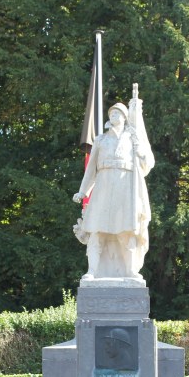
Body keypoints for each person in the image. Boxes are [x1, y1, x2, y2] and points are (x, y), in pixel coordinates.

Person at [73, 91, 154, 281]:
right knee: (96, 229)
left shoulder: (132, 138)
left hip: (126, 186)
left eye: (118, 113)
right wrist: (83, 191)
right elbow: (91, 170)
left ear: (125, 118)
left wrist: (141, 152)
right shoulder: (101, 140)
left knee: (127, 230)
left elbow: (146, 163)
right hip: (103, 185)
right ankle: (92, 270)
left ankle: (130, 270)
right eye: (112, 113)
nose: (114, 115)